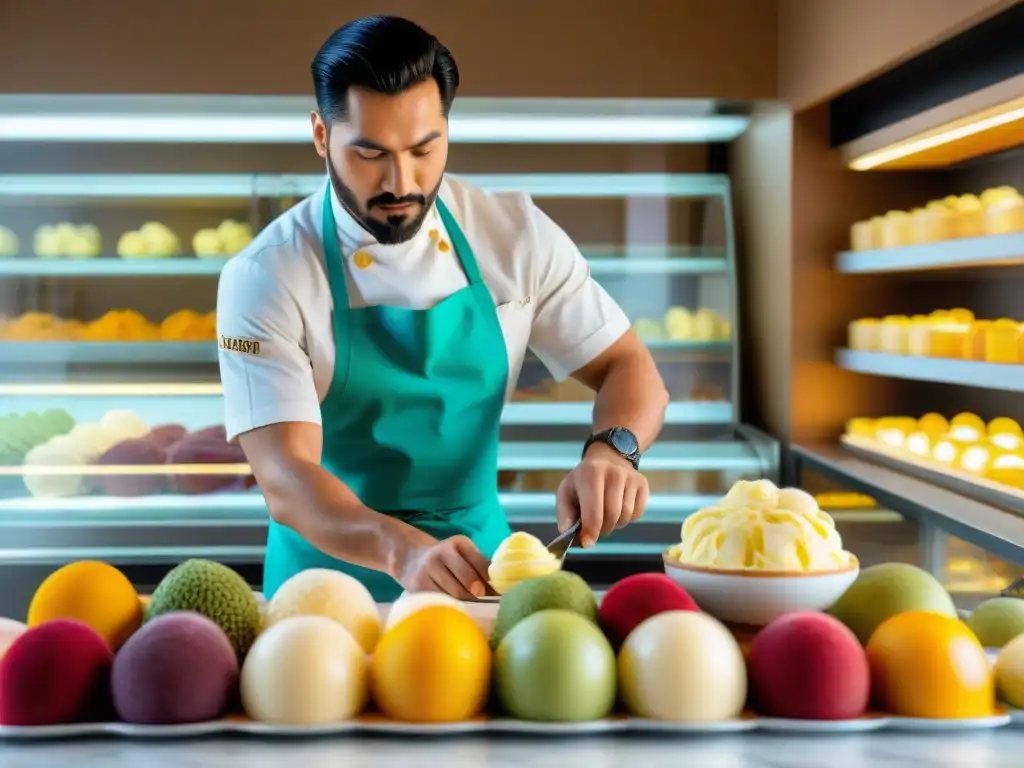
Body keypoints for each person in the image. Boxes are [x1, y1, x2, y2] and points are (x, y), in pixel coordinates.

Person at [216, 14, 669, 603]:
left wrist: (614, 451)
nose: (400, 181)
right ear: (322, 136)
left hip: (483, 574)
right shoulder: (266, 275)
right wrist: (401, 550)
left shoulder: (514, 234)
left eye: (424, 149)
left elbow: (629, 367)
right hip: (324, 589)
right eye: (370, 153)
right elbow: (287, 480)